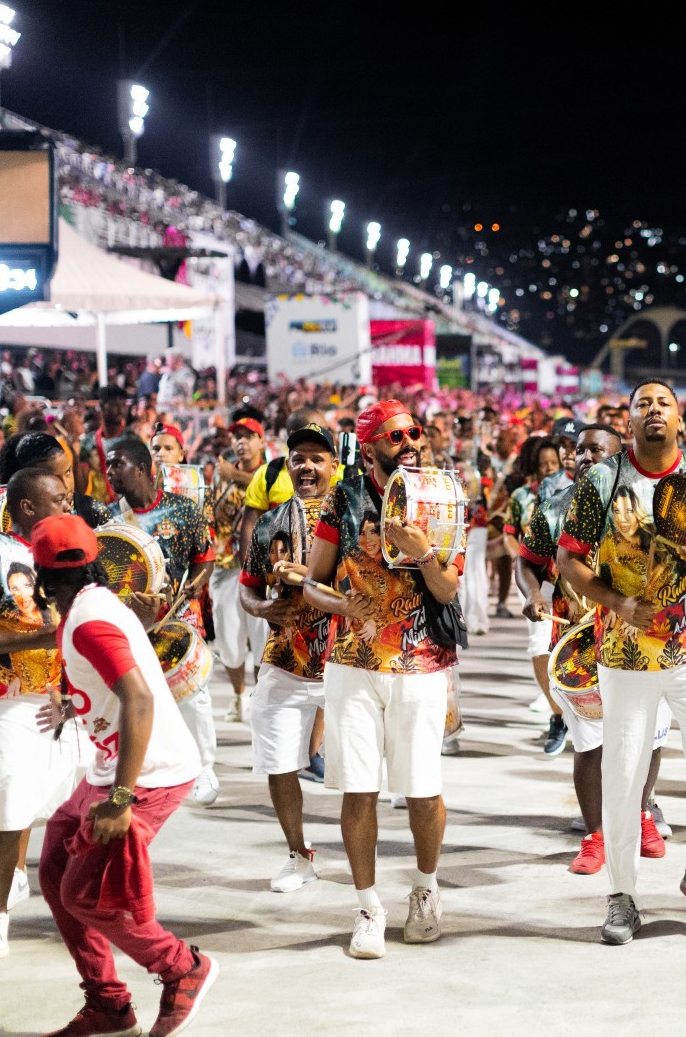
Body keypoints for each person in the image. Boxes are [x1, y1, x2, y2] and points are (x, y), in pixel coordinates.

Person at [557, 379, 686, 946]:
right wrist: (616, 603)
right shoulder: (603, 480)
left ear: (680, 420)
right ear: (628, 420)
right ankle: (622, 896)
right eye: (643, 404)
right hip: (624, 651)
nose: (654, 410)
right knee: (623, 773)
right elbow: (568, 559)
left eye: (664, 403)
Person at [30, 513, 218, 1037]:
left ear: (40, 575)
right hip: (115, 764)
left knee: (86, 895)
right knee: (55, 865)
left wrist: (120, 799)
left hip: (148, 773)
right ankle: (109, 1007)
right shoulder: (90, 605)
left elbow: (138, 698)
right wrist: (76, 703)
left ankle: (182, 966)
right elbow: (115, 680)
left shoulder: (88, 620)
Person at [301, 400, 464, 959]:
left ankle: (426, 890)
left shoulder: (444, 495)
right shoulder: (343, 499)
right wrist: (341, 604)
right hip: (353, 664)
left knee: (422, 789)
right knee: (359, 788)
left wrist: (424, 554)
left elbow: (447, 590)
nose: (411, 442)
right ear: (369, 446)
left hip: (420, 663)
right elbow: (312, 584)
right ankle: (368, 906)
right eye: (396, 437)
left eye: (415, 432)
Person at [520, 422, 671, 874]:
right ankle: (596, 835)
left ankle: (642, 814)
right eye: (580, 450)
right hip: (580, 645)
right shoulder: (553, 507)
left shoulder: (645, 503)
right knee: (590, 742)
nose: (586, 458)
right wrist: (533, 593)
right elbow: (527, 563)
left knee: (651, 733)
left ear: (619, 457)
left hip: (643, 638)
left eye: (597, 451)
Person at [0, 468, 83, 960]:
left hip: (68, 703)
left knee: (77, 815)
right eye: (58, 499)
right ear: (27, 507)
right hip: (7, 701)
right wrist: (40, 638)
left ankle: (81, 913)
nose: (67, 507)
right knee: (8, 813)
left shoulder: (74, 552)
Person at [239, 423, 338, 892]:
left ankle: (364, 861)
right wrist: (264, 608)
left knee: (357, 772)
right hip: (284, 659)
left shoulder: (355, 516)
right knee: (278, 762)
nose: (307, 467)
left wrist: (309, 577)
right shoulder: (271, 522)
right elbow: (247, 589)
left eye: (317, 458)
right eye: (298, 458)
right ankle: (299, 855)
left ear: (334, 465)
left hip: (348, 660)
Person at [104, 435, 218, 805]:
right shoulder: (107, 518)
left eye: (116, 464)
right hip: (129, 620)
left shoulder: (183, 510)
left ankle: (204, 769)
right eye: (107, 465)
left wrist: (193, 587)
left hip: (178, 615)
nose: (109, 472)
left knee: (192, 694)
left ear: (141, 468)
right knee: (136, 695)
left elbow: (205, 559)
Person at [507, 436, 569, 750]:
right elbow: (512, 537)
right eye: (543, 464)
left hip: (573, 584)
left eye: (553, 463)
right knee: (540, 645)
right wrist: (522, 567)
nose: (548, 468)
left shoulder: (584, 491)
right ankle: (558, 716)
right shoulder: (524, 496)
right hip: (539, 581)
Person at [209, 417, 270, 724]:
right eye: (236, 437)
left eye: (248, 436)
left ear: (262, 441)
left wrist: (235, 476)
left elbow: (274, 497)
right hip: (225, 565)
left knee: (262, 639)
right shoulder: (220, 475)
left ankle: (260, 697)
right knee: (229, 640)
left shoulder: (273, 472)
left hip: (263, 567)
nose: (241, 442)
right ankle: (238, 694)